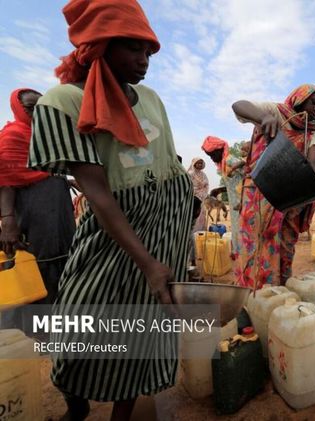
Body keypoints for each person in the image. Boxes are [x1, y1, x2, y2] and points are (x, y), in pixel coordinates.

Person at [27, 1, 193, 419]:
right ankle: (77, 404)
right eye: (132, 48)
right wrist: (148, 263)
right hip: (115, 230)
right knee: (78, 322)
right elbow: (97, 193)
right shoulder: (63, 102)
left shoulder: (152, 99)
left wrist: (179, 226)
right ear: (100, 45)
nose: (143, 61)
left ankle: (124, 411)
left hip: (165, 227)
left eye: (148, 51)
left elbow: (169, 163)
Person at [232, 84, 315, 288]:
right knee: (256, 244)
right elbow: (239, 105)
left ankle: (279, 296)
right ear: (299, 97)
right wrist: (263, 118)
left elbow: (313, 162)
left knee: (285, 248)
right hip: (260, 193)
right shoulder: (275, 112)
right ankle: (251, 299)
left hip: (290, 201)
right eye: (314, 102)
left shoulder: (313, 133)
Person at [0, 88, 75, 333]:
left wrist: (63, 180)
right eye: (31, 108)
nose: (37, 114)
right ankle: (34, 335)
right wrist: (8, 222)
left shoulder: (46, 137)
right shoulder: (12, 136)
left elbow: (49, 170)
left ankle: (58, 330)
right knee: (36, 270)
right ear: (18, 109)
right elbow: (6, 181)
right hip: (33, 213)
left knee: (62, 263)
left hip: (58, 211)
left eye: (42, 108)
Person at [201, 137, 249, 254]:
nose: (212, 158)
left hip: (242, 201)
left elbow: (248, 172)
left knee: (244, 230)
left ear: (220, 150)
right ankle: (239, 253)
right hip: (234, 203)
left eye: (213, 154)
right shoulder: (223, 164)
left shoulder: (229, 160)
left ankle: (244, 254)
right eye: (210, 156)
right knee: (237, 229)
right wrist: (220, 190)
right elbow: (233, 181)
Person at [187, 157, 209, 231]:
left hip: (200, 197)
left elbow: (206, 185)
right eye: (198, 163)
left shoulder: (203, 174)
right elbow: (187, 185)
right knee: (191, 214)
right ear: (194, 164)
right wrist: (195, 190)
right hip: (191, 197)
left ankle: (199, 230)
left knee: (200, 214)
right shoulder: (190, 174)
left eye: (201, 163)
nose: (200, 165)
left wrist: (201, 193)